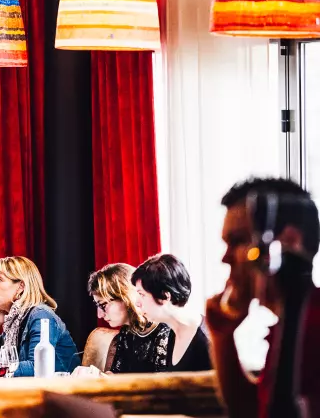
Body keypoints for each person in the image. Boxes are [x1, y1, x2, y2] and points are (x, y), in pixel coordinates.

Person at [206, 177, 320, 417]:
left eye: (237, 241)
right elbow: (255, 411)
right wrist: (223, 336)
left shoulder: (310, 328)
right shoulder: (294, 321)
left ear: (287, 243)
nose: (225, 258)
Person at [0, 256, 80, 377]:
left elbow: (37, 367)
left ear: (21, 287)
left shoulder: (41, 316)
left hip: (60, 392)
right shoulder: (13, 320)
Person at [85, 263, 171, 374]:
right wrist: (96, 376)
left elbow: (163, 387)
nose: (99, 315)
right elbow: (117, 375)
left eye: (103, 305)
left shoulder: (165, 331)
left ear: (125, 297)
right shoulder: (126, 332)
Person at [132, 254, 212, 372]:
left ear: (165, 296)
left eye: (142, 294)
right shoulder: (172, 331)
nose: (137, 303)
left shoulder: (208, 340)